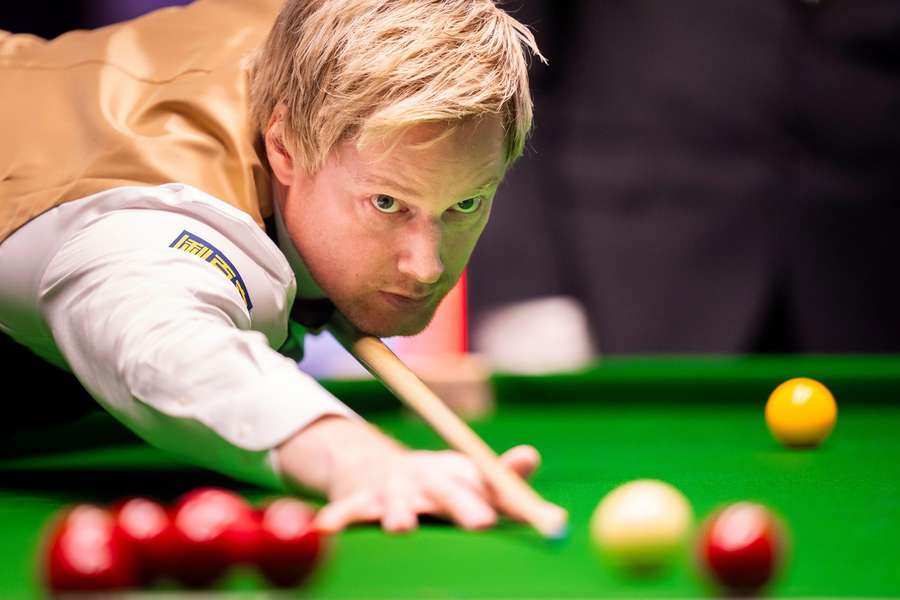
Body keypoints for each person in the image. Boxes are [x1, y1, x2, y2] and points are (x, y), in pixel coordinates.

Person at [0, 0, 559, 534]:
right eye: (387, 203)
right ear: (284, 147)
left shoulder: (324, 38)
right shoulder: (156, 216)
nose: (425, 267)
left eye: (465, 204)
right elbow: (166, 346)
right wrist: (362, 462)